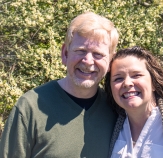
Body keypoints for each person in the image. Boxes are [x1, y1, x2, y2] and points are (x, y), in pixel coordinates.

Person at [0, 12, 119, 158]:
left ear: (111, 61)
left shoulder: (116, 110)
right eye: (80, 51)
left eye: (98, 54)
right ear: (65, 53)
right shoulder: (30, 107)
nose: (88, 61)